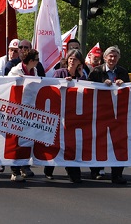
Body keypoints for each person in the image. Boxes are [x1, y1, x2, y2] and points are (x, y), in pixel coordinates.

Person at [88, 46, 130, 184]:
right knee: (99, 142)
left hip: (118, 113)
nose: (112, 59)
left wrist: (123, 85)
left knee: (118, 143)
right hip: (100, 112)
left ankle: (117, 174)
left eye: (115, 56)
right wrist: (101, 84)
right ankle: (97, 171)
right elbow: (87, 89)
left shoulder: (123, 72)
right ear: (104, 58)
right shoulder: (96, 71)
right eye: (110, 56)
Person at [46, 49, 87, 183]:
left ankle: (73, 171)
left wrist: (80, 78)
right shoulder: (59, 73)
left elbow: (86, 91)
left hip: (73, 115)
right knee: (55, 141)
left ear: (79, 62)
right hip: (59, 112)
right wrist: (63, 83)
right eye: (70, 58)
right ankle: (48, 169)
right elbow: (50, 87)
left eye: (75, 59)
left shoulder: (83, 75)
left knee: (71, 143)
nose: (71, 61)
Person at [7, 47, 44, 182]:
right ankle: (14, 170)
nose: (38, 62)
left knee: (27, 140)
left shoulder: (34, 70)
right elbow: (9, 85)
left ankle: (24, 166)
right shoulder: (15, 71)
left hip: (29, 110)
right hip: (17, 111)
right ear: (30, 60)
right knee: (16, 140)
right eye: (36, 60)